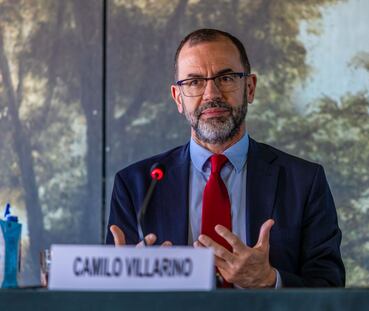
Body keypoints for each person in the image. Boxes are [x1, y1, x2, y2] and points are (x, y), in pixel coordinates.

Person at [106, 28, 345, 288]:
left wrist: (270, 280)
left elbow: (330, 286)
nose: (211, 94)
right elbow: (109, 295)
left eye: (227, 77)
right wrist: (127, 281)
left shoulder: (304, 182)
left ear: (249, 88)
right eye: (194, 82)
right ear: (178, 98)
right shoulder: (135, 185)